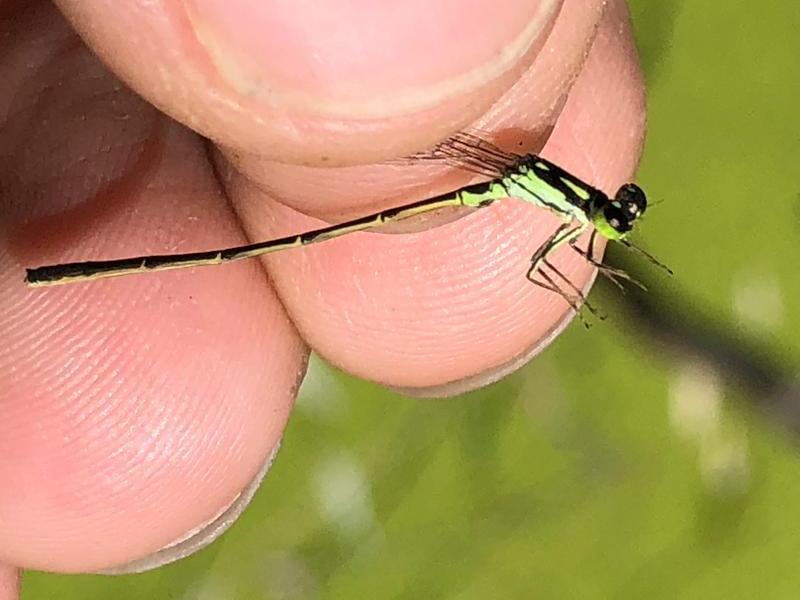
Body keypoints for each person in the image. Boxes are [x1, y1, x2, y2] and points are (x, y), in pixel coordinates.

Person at [0, 0, 645, 588]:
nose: (609, 223)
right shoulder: (578, 210)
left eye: (614, 220)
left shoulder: (579, 209)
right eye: (614, 220)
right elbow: (540, 264)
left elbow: (549, 252)